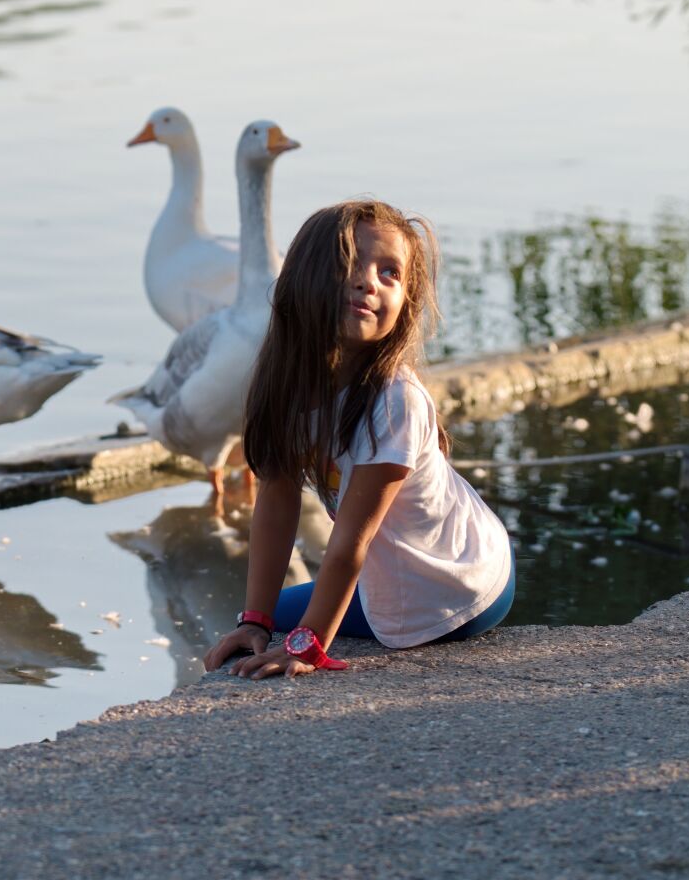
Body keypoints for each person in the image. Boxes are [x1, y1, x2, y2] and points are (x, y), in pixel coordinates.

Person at [203, 199, 514, 679]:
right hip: (396, 571)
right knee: (267, 618)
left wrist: (306, 647)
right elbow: (277, 502)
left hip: (455, 584)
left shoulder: (394, 400)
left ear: (405, 303)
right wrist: (255, 621)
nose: (369, 280)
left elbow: (351, 542)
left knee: (297, 624)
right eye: (349, 262)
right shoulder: (288, 384)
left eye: (390, 273)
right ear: (302, 279)